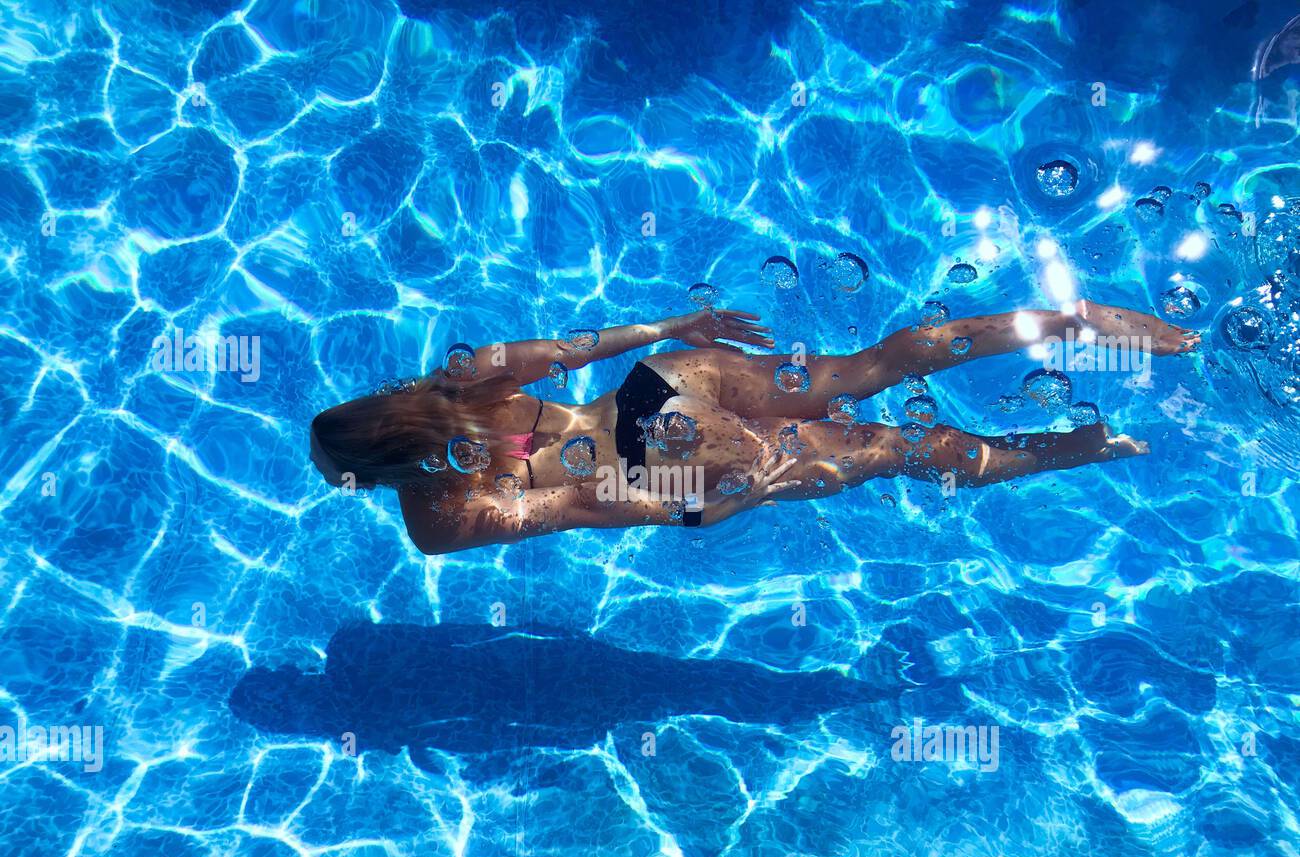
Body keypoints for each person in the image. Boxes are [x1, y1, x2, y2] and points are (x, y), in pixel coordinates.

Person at [309, 301, 1199, 555]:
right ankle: (1071, 320)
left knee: (899, 449)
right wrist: (670, 331)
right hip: (661, 387)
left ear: (374, 477)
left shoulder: (438, 520)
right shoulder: (455, 380)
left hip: (656, 457)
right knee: (875, 365)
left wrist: (719, 501)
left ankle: (1093, 444)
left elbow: (583, 499)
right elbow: (575, 347)